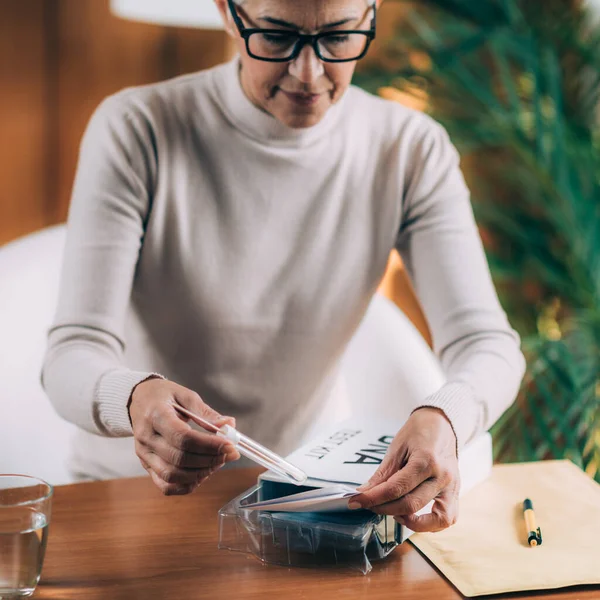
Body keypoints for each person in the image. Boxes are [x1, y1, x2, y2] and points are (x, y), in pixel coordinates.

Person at [42, 0, 525, 533]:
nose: (308, 72)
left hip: (302, 496)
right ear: (229, 13)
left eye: (339, 37)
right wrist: (133, 399)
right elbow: (72, 353)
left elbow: (488, 343)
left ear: (371, 14)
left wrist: (446, 417)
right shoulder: (138, 128)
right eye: (276, 36)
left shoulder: (410, 150)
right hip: (131, 495)